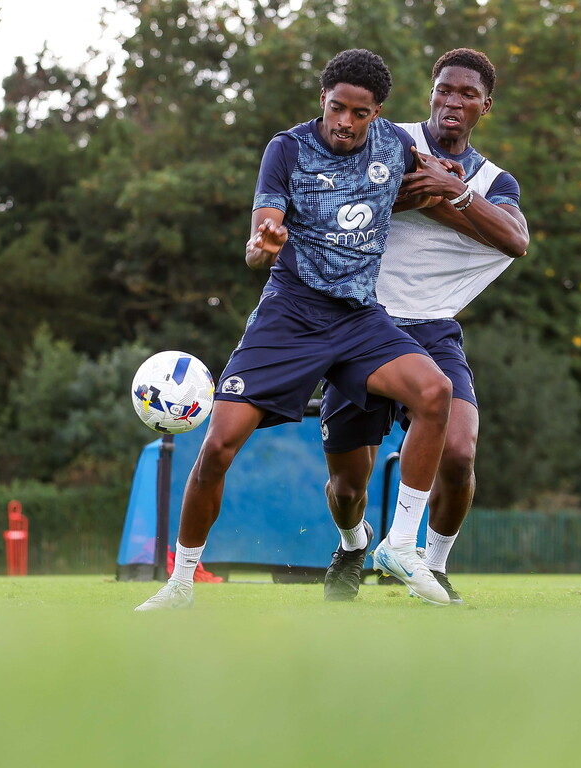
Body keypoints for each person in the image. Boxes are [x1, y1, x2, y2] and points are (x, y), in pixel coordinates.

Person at [136, 48, 463, 610]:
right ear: (323, 101)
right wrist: (263, 243)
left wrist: (450, 179)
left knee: (436, 392)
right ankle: (181, 583)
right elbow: (261, 231)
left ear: (377, 113)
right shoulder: (286, 149)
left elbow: (441, 177)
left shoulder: (395, 148)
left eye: (360, 114)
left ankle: (401, 545)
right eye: (337, 108)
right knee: (218, 445)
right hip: (291, 313)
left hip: (359, 317)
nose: (346, 122)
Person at [321, 48, 530, 605]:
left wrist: (452, 190)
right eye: (444, 89)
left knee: (460, 454)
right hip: (360, 321)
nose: (452, 101)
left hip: (433, 329)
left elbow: (514, 239)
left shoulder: (494, 178)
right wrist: (445, 197)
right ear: (430, 92)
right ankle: (352, 543)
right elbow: (355, 194)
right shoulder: (391, 137)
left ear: (485, 104)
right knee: (348, 486)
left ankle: (429, 566)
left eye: (466, 93)